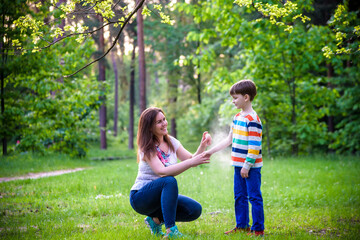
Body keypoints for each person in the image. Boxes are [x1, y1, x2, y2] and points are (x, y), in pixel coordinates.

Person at [129, 107, 212, 238]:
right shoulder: (147, 147)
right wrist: (190, 163)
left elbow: (190, 159)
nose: (164, 123)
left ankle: (155, 220)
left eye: (164, 119)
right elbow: (162, 172)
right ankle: (171, 231)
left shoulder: (172, 142)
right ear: (150, 127)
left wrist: (203, 146)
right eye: (159, 122)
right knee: (169, 181)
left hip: (160, 196)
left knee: (194, 210)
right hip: (141, 198)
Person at [205, 79, 264, 236]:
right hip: (238, 165)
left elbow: (254, 146)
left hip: (250, 167)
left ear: (246, 97)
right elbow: (229, 140)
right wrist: (211, 151)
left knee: (254, 197)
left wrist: (247, 165)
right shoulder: (237, 117)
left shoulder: (253, 120)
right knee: (239, 196)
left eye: (235, 98)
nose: (233, 101)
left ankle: (258, 229)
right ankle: (242, 225)